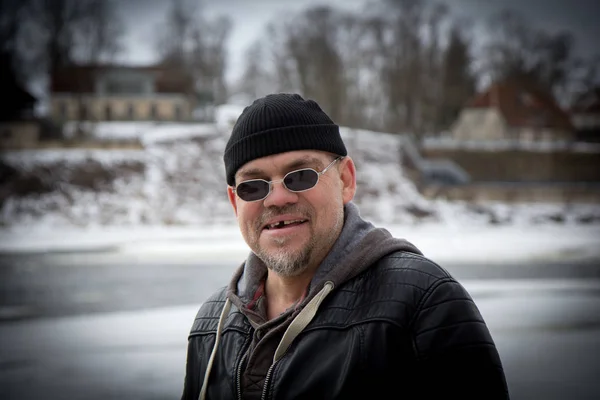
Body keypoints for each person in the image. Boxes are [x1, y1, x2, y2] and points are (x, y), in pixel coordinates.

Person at [181, 93, 510, 400]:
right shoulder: (212, 325)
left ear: (346, 180)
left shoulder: (422, 303)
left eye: (300, 175)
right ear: (234, 202)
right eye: (253, 186)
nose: (277, 198)